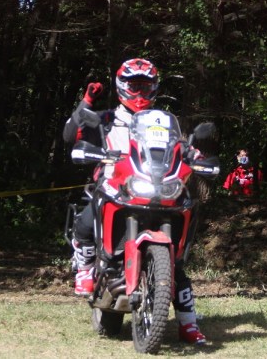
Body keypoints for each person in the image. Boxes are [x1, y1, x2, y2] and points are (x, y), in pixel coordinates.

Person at [63, 57, 208, 346]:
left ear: (155, 87)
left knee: (177, 263)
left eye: (145, 85)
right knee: (87, 217)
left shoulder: (162, 122)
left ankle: (188, 323)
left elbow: (179, 147)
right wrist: (86, 103)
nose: (140, 92)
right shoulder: (107, 118)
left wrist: (194, 155)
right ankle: (86, 265)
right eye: (134, 85)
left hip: (153, 187)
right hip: (113, 184)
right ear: (122, 86)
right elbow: (70, 135)